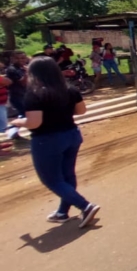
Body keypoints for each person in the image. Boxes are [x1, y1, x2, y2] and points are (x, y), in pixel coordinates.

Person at [9, 57, 100, 227]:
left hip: (47, 140)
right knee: (67, 175)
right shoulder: (70, 89)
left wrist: (16, 122)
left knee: (52, 180)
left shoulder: (35, 94)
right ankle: (62, 212)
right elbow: (81, 111)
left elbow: (34, 122)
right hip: (71, 135)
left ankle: (85, 206)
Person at [7, 51, 28, 117]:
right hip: (18, 96)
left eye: (22, 58)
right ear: (12, 59)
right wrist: (27, 73)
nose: (20, 60)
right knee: (24, 115)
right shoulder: (11, 69)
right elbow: (22, 83)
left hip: (26, 94)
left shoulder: (24, 67)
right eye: (17, 58)